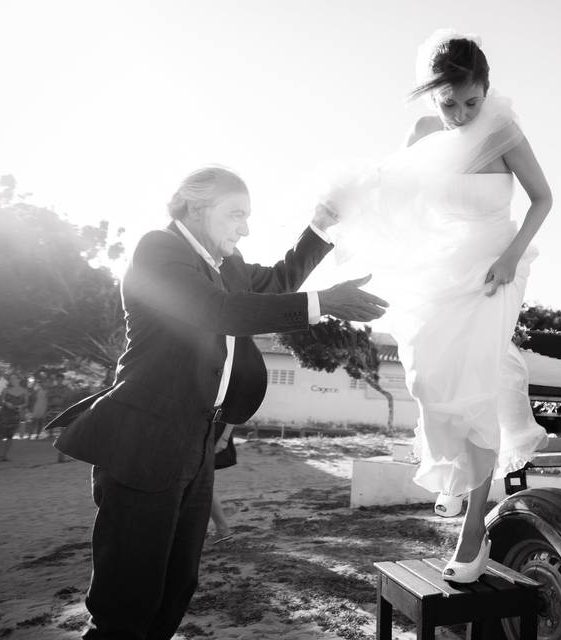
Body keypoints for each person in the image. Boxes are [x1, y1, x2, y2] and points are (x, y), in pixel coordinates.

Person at [44, 166, 386, 640]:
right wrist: (322, 302)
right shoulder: (158, 250)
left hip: (199, 440)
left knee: (175, 588)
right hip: (146, 439)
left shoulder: (227, 264)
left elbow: (278, 281)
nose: (244, 228)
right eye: (236, 215)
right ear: (197, 207)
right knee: (127, 600)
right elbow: (216, 312)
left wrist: (320, 226)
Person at [322, 29, 552, 583]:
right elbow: (389, 194)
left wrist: (510, 258)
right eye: (449, 103)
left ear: (486, 89)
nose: (460, 114)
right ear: (432, 96)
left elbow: (543, 198)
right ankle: (452, 473)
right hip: (441, 269)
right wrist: (340, 207)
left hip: (496, 267)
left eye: (471, 101)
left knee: (476, 385)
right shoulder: (424, 132)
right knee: (426, 378)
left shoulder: (502, 128)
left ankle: (473, 531)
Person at [209, 420, 236, 544]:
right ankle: (223, 530)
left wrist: (225, 438)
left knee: (203, 484)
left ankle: (223, 530)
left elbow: (235, 409)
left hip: (213, 431)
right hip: (194, 429)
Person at [0, 373, 28, 462]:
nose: (13, 380)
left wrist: (20, 406)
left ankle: (4, 456)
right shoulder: (5, 390)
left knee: (10, 436)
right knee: (0, 436)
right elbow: (0, 401)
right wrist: (6, 403)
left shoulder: (24, 391)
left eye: (15, 378)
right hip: (4, 415)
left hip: (15, 415)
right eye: (11, 379)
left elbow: (26, 403)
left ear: (19, 379)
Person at [26, 375, 48, 439]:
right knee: (33, 421)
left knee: (40, 422)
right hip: (36, 407)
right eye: (42, 382)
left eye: (45, 382)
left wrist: (47, 409)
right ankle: (29, 434)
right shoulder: (37, 389)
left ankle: (38, 435)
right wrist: (31, 408)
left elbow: (48, 400)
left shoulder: (47, 390)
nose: (44, 383)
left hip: (43, 407)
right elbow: (32, 398)